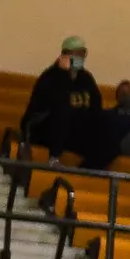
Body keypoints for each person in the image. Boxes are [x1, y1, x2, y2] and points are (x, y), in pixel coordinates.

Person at [21, 35, 105, 163]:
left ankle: (91, 170)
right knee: (63, 110)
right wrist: (63, 74)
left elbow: (96, 106)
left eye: (83, 53)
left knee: (104, 128)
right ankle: (54, 158)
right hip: (45, 128)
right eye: (76, 53)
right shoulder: (50, 77)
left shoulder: (86, 78)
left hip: (74, 132)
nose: (81, 57)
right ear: (65, 55)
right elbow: (53, 103)